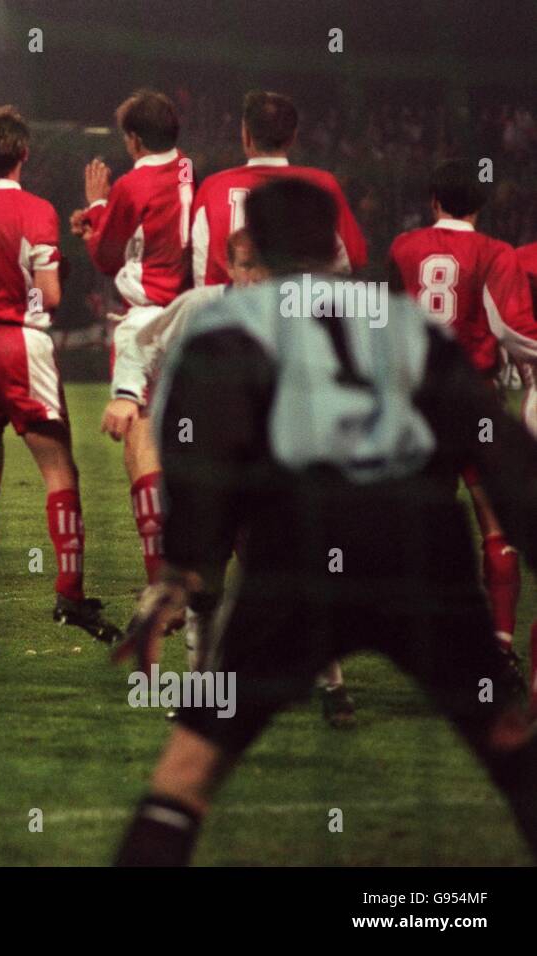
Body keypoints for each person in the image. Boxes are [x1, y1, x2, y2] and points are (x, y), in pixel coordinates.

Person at [112, 178, 537, 865]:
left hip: (298, 547)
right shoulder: (405, 323)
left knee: (189, 772)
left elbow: (204, 453)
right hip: (421, 544)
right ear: (338, 244)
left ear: (247, 245)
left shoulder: (227, 325)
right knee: (510, 747)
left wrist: (182, 569)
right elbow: (497, 448)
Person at [0, 105, 120, 660]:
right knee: (60, 470)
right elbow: (51, 296)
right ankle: (69, 595)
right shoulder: (35, 209)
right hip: (16, 345)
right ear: (24, 153)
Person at [389, 159, 537, 698]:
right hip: (472, 398)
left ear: (433, 199)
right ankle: (499, 649)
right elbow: (509, 327)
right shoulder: (494, 252)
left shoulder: (403, 246)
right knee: (497, 525)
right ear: (481, 204)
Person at [70, 89, 192, 597]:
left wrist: (97, 207)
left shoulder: (132, 183)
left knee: (140, 444)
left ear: (134, 139)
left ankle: (159, 581)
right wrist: (99, 220)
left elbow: (105, 259)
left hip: (144, 323)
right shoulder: (189, 171)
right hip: (192, 316)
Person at [190, 90, 367, 288]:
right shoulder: (322, 185)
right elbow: (353, 259)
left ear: (246, 135)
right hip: (297, 312)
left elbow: (199, 271)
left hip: (228, 312)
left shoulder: (213, 188)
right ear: (292, 138)